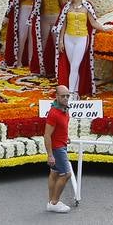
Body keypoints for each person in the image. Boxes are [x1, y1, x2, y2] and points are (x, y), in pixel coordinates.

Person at [53, 0, 112, 97]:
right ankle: (76, 93)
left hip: (81, 39)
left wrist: (105, 29)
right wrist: (61, 41)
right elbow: (63, 23)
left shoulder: (87, 6)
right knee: (73, 66)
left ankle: (71, 94)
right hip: (69, 38)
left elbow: (93, 22)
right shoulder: (66, 7)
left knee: (75, 66)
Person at [44, 84, 73, 214]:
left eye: (68, 95)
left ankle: (51, 202)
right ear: (56, 96)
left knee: (54, 173)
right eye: (63, 96)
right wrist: (50, 155)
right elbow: (47, 135)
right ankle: (55, 202)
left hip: (61, 144)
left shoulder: (64, 109)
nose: (66, 98)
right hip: (58, 148)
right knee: (66, 174)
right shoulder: (54, 113)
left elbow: (61, 128)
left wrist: (66, 136)